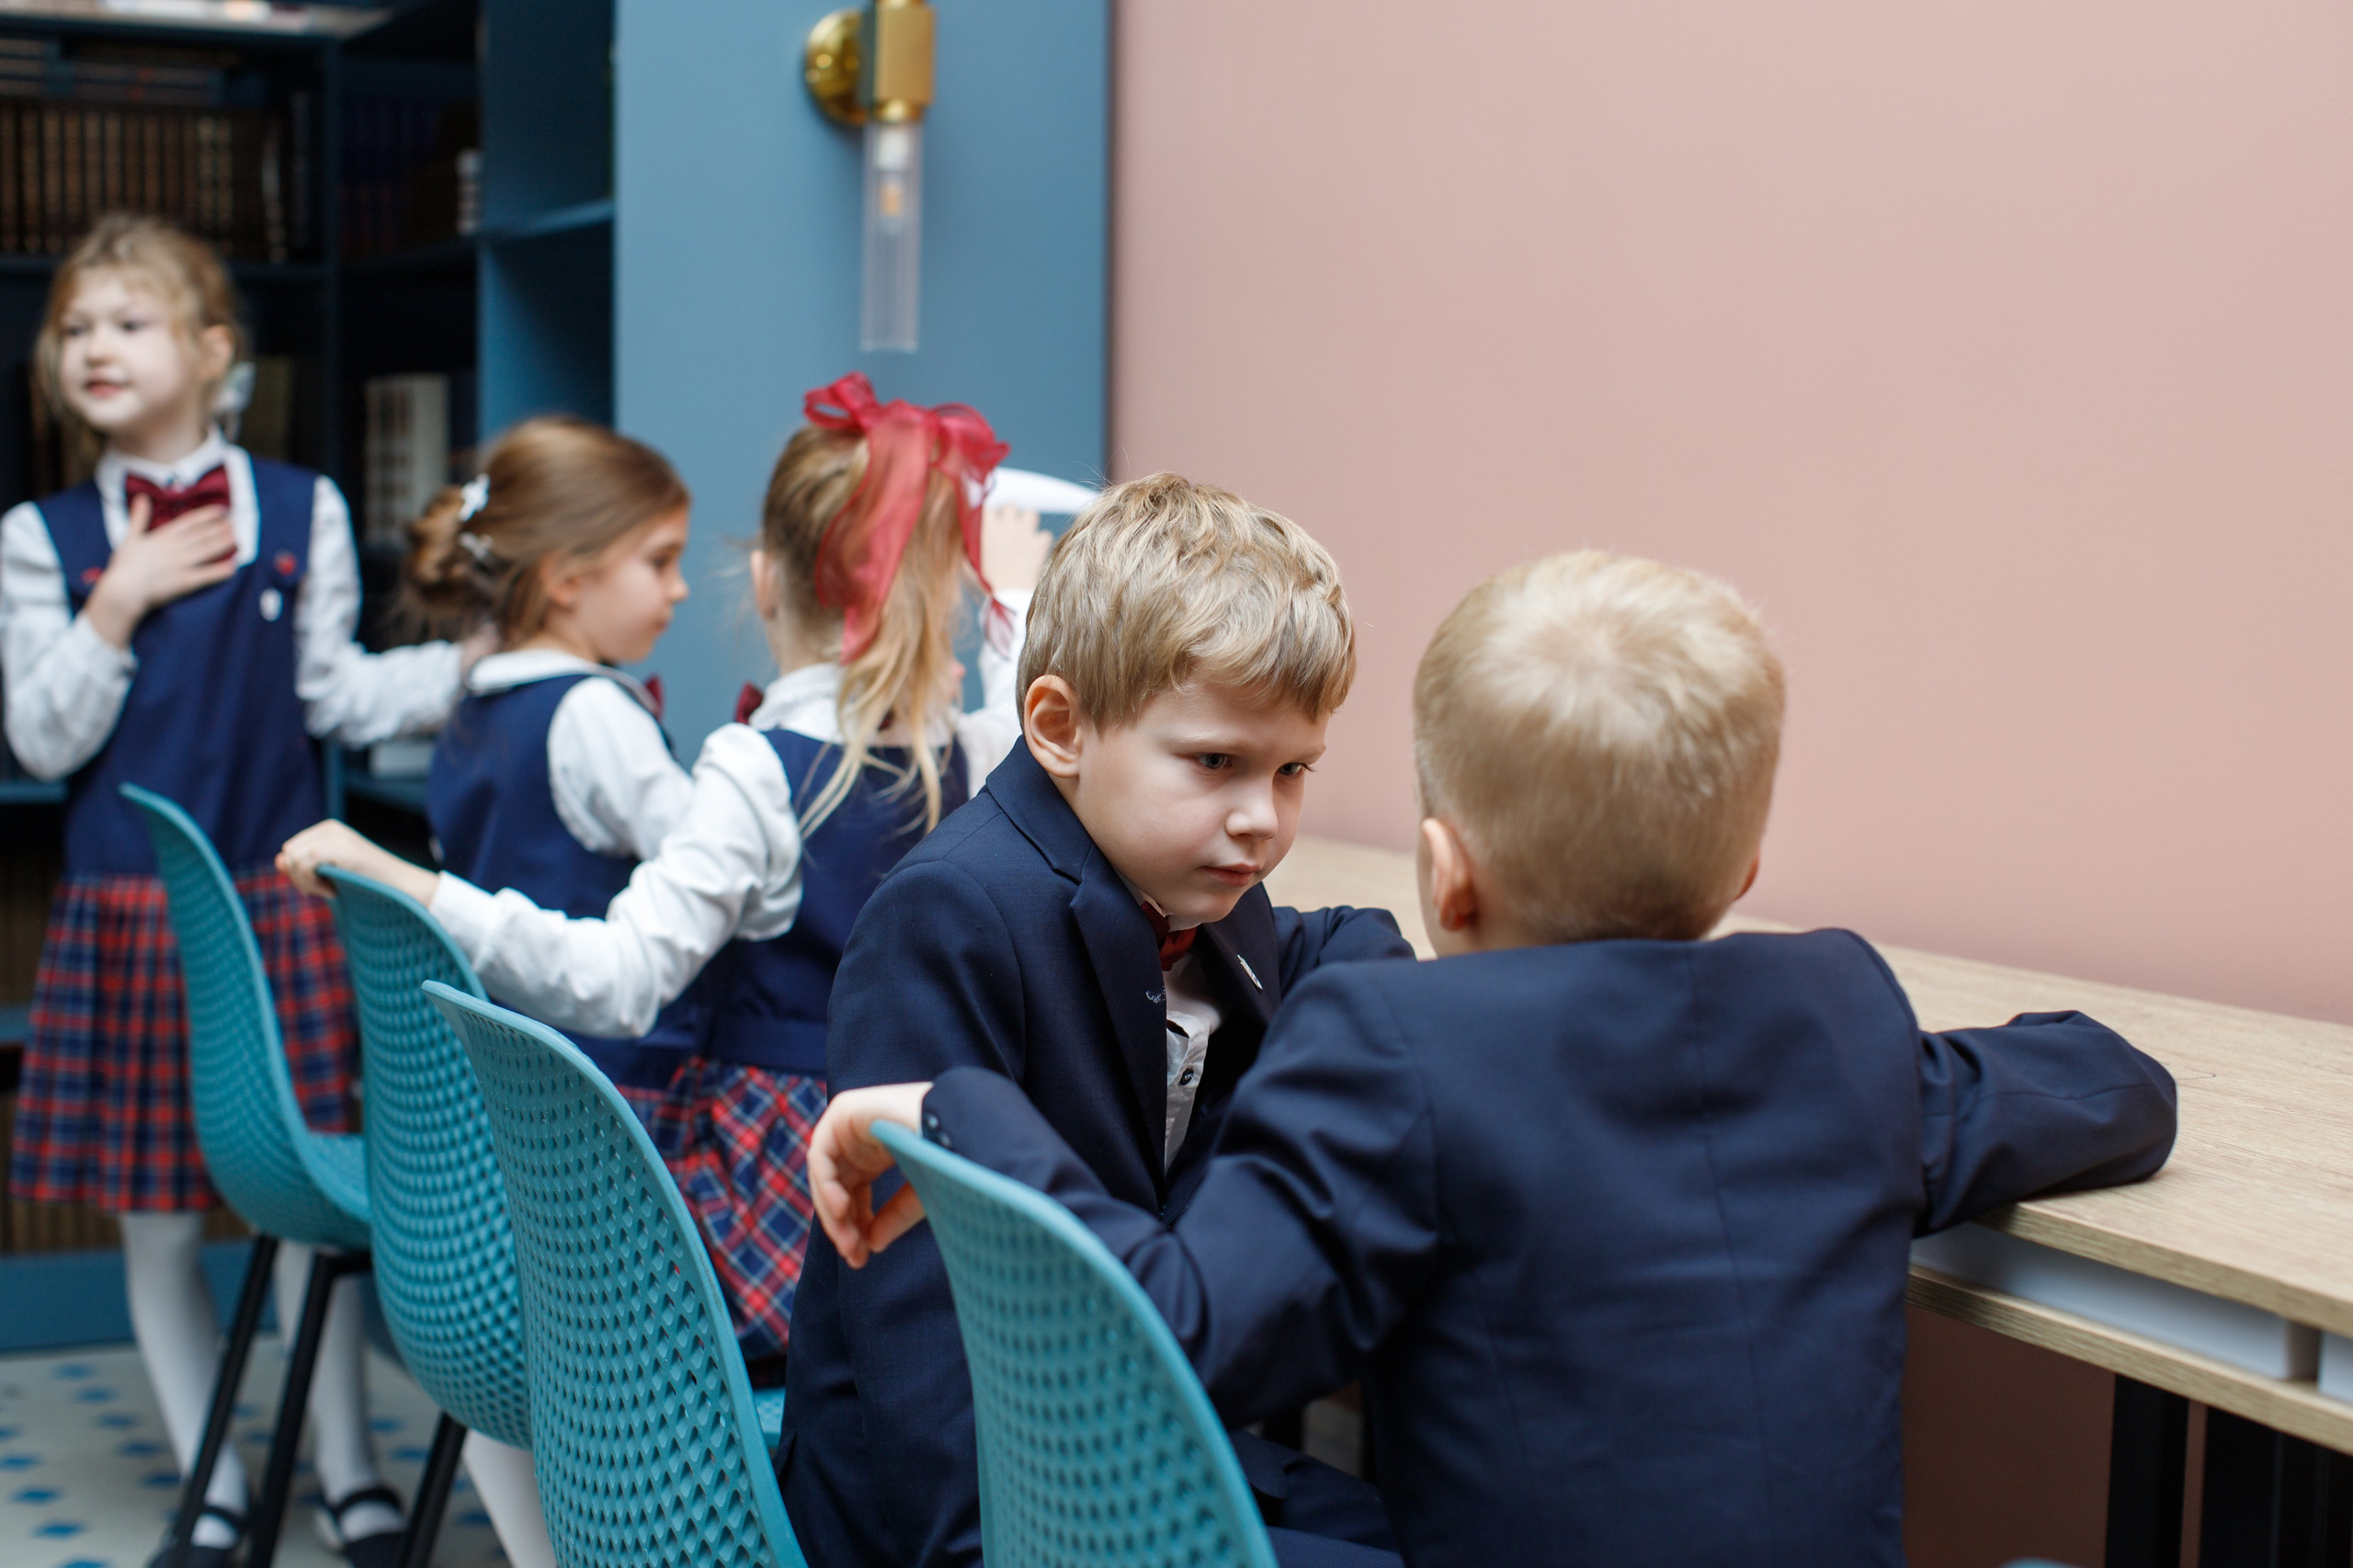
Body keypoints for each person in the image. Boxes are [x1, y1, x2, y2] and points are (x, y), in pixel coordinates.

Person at [806, 550, 2182, 1568]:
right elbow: (2113, 1083)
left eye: (1290, 774)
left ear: (1445, 872)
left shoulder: (1392, 1056)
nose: (1263, 822)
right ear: (1744, 870)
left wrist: (955, 1113)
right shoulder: (1840, 1020)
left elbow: (1173, 1326)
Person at [278, 372, 1050, 1380]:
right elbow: (1037, 729)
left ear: (765, 579)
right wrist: (1015, 599)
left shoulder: (757, 770)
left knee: (598, 1289)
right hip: (944, 1204)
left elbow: (618, 979)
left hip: (784, 1209)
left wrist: (417, 888)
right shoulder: (984, 750)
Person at [769, 472, 1418, 1568]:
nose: (1261, 818)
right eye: (1215, 761)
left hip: (1117, 1437)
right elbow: (918, 1321)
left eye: (1292, 769)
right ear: (1060, 727)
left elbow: (1326, 942)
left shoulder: (1188, 870)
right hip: (968, 1495)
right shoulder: (950, 916)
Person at [0, 214, 464, 1568]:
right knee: (157, 1219)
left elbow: (340, 693)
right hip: (128, 917)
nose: (93, 346)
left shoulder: (301, 506)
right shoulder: (40, 535)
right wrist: (118, 600)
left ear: (213, 350)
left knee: (311, 1202)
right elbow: (39, 741)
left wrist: (479, 667)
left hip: (281, 910)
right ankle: (212, 1485)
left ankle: (350, 1473)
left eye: (127, 322)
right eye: (74, 328)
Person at [402, 415, 704, 1122]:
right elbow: (703, 861)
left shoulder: (473, 699)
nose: (679, 588)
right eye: (660, 562)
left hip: (511, 1091)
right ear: (566, 579)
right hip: (617, 1096)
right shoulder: (592, 711)